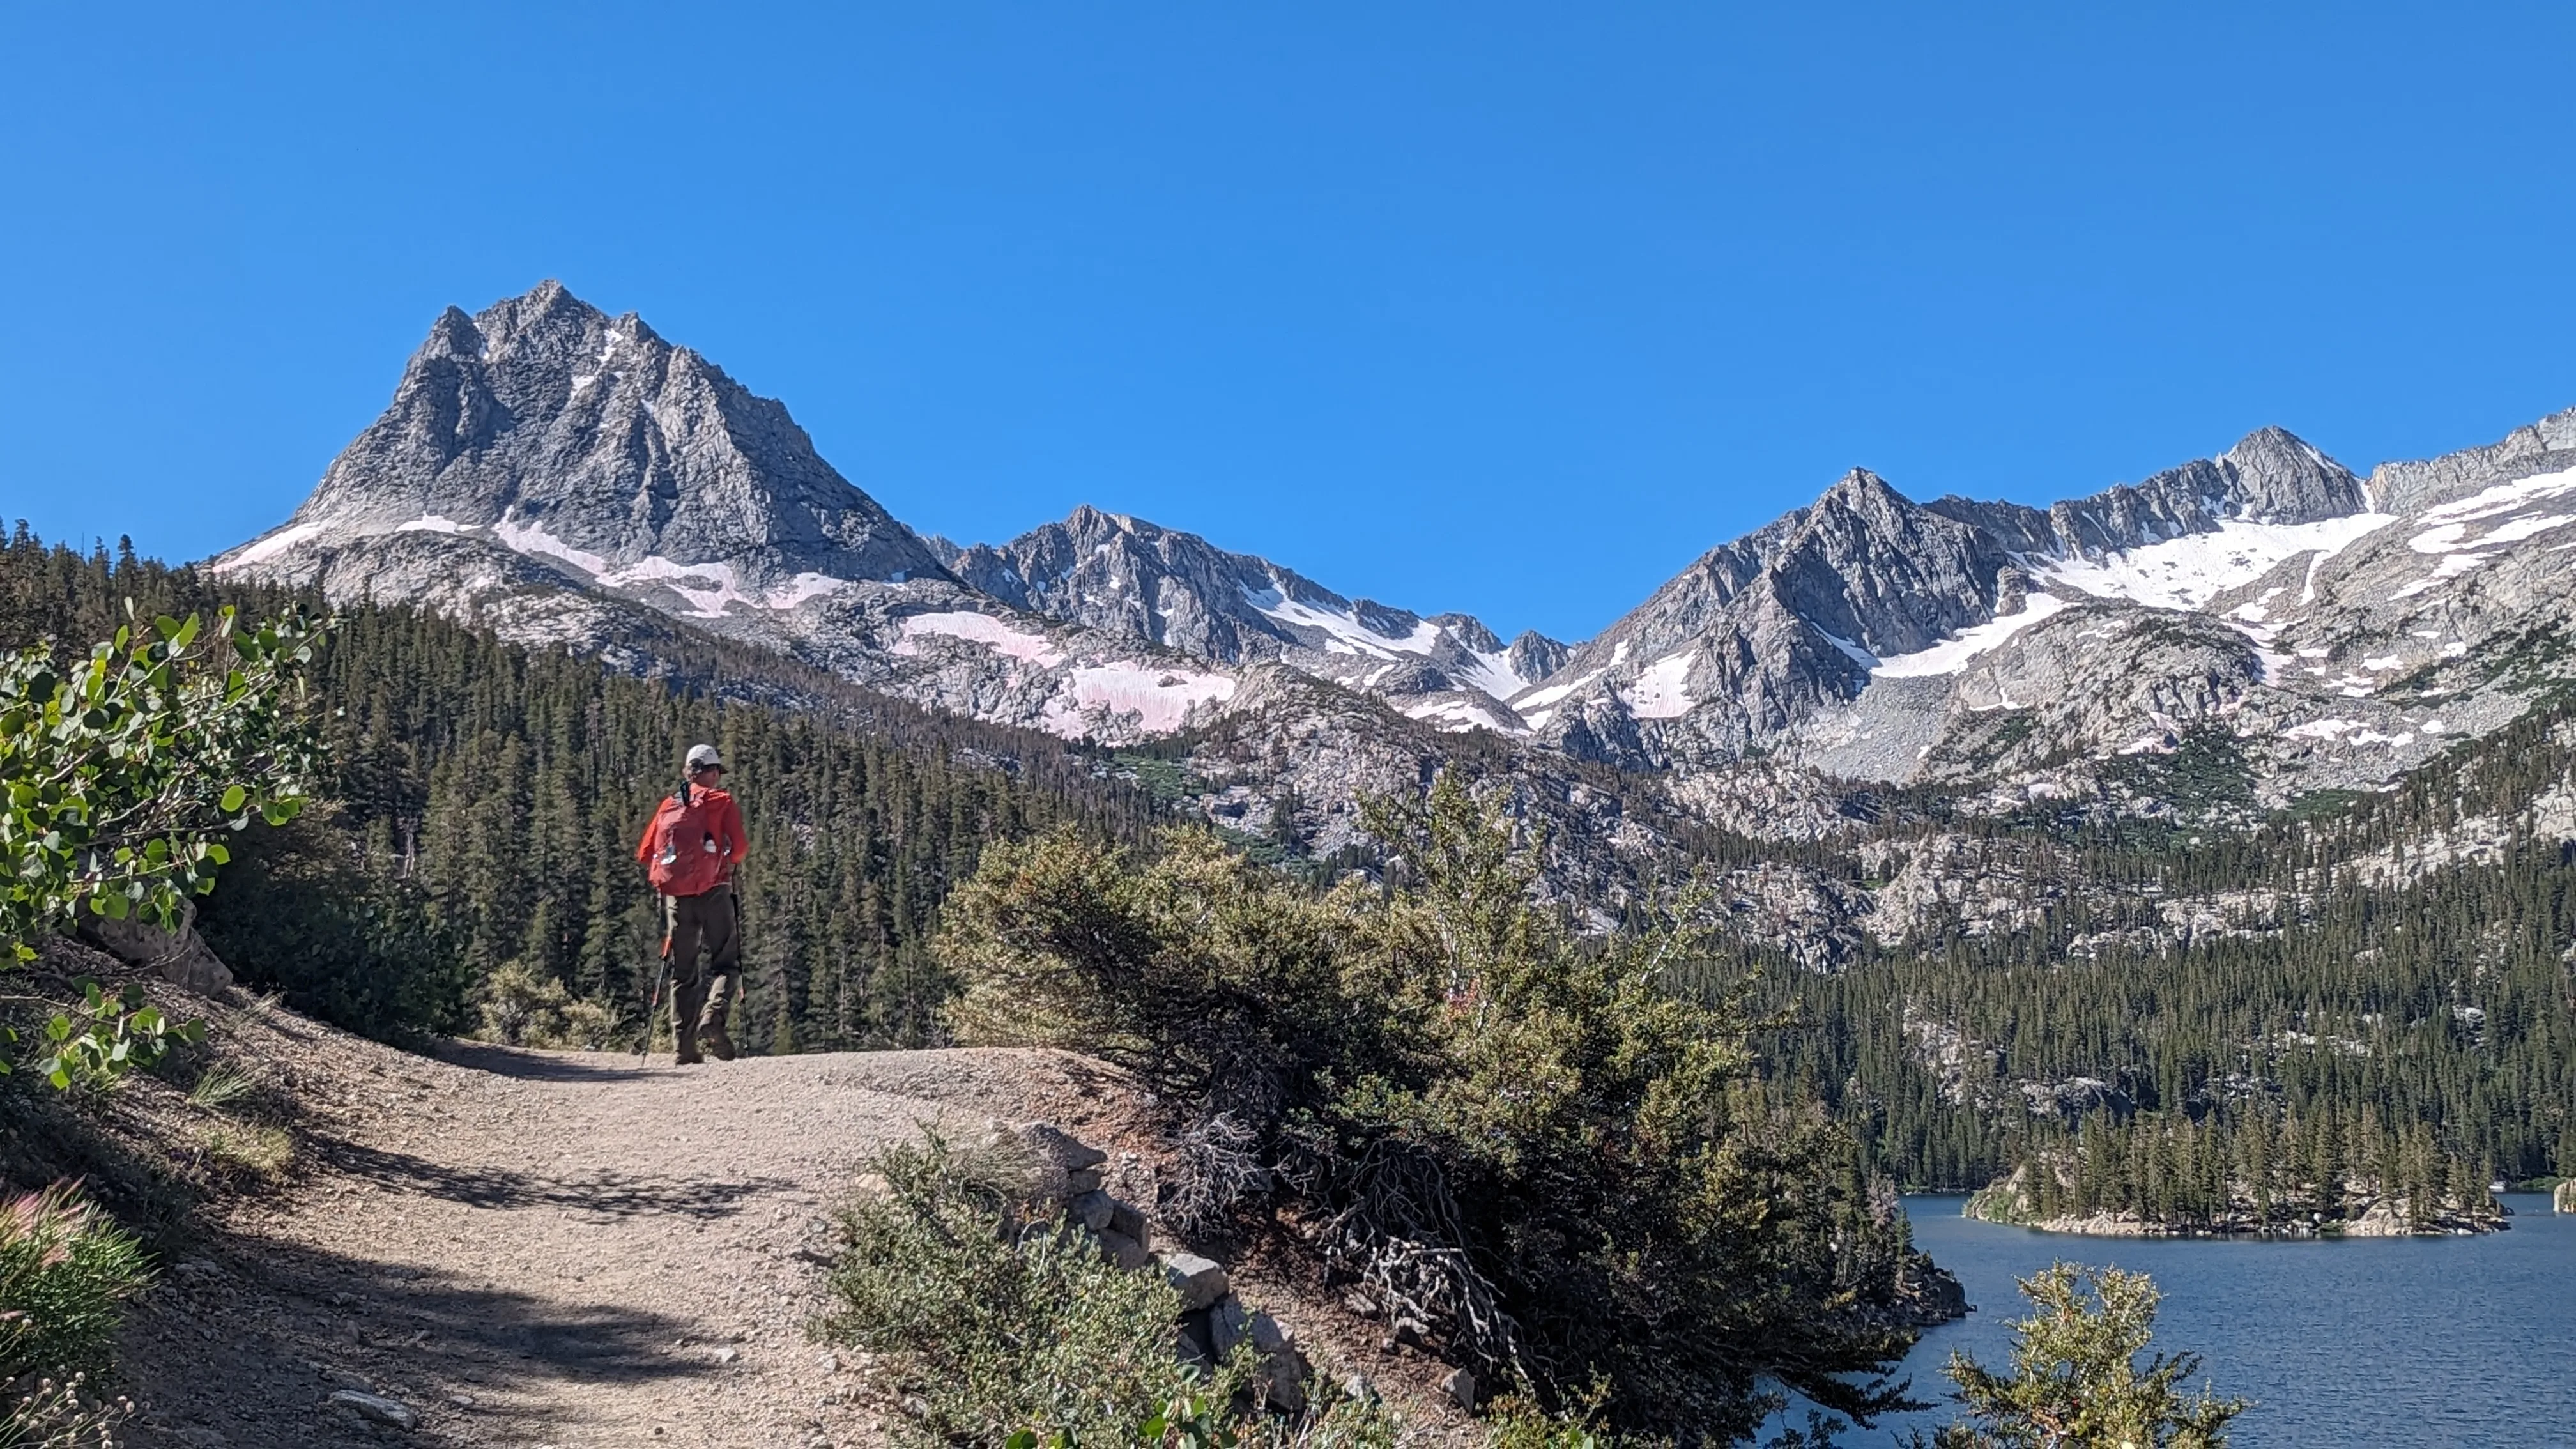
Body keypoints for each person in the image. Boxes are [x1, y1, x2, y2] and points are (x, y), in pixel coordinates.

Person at [634, 743, 748, 1064]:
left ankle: (683, 1049)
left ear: (688, 772)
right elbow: (740, 848)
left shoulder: (668, 805)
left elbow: (645, 854)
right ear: (710, 772)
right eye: (717, 772)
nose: (718, 777)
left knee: (683, 972)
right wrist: (726, 861)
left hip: (678, 898)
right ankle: (713, 1016)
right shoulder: (721, 801)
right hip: (715, 891)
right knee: (726, 963)